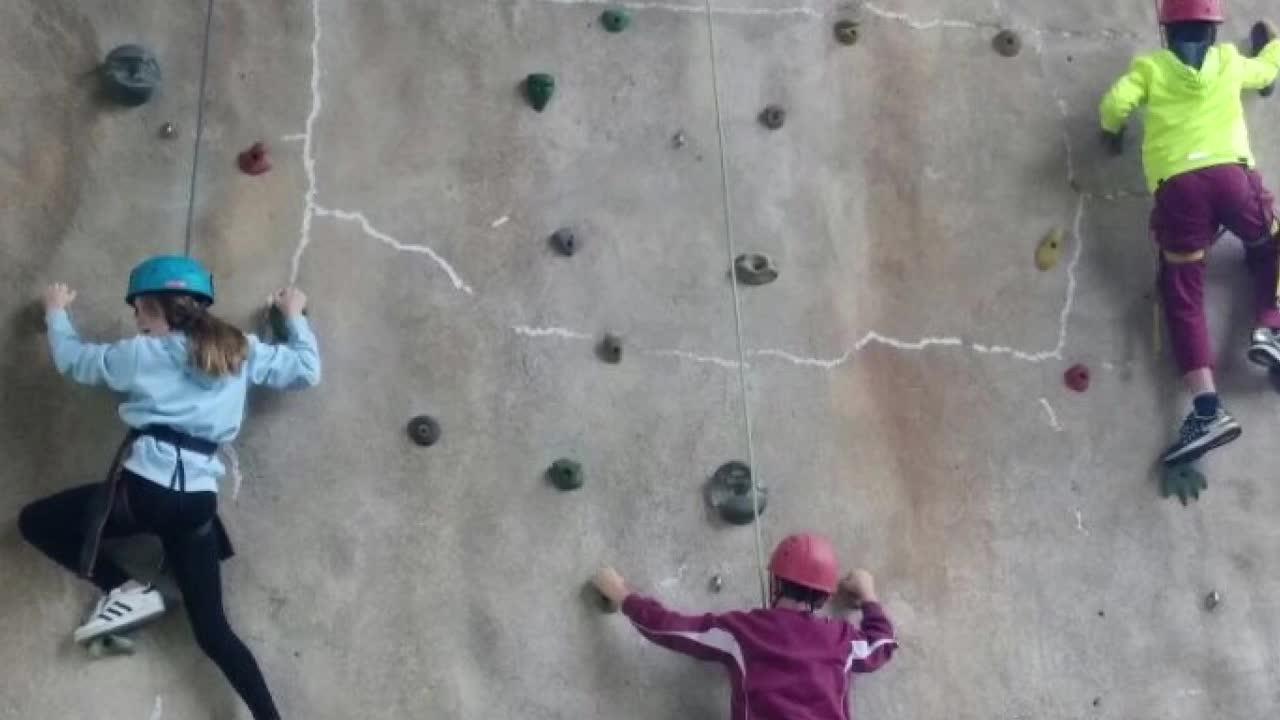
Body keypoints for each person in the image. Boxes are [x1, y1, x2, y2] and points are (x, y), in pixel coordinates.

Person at [18, 256, 321, 720]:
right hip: (197, 506)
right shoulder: (241, 349)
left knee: (35, 522)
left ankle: (124, 588)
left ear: (152, 307)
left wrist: (56, 311)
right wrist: (294, 316)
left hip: (143, 494)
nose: (136, 321)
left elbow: (75, 360)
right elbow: (305, 370)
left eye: (138, 310)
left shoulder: (140, 353)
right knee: (214, 631)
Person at [1100, 0, 1280, 465]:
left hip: (1179, 189)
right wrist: (1272, 43)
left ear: (1166, 31)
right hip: (1232, 178)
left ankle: (1207, 407)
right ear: (1214, 31)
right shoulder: (1229, 61)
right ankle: (1270, 326)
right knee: (1269, 245)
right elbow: (1266, 72)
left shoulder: (1150, 68)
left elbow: (1115, 104)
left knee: (1183, 292)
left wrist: (1112, 132)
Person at [592, 533, 897, 720]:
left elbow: (672, 629)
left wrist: (623, 595)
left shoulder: (743, 632)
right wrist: (868, 594)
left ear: (775, 582)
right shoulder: (841, 639)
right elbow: (881, 645)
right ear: (826, 595)